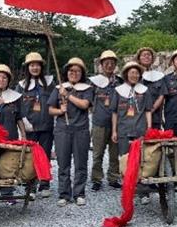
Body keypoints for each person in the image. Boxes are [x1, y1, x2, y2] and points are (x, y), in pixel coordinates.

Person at [48, 58, 94, 207]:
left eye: (78, 71)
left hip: (81, 130)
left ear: (82, 73)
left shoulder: (87, 89)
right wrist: (60, 111)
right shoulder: (59, 88)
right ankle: (64, 194)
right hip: (62, 130)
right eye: (71, 71)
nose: (74, 73)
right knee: (63, 163)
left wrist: (68, 95)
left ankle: (79, 193)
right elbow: (50, 110)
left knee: (81, 163)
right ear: (66, 72)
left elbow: (84, 105)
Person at [110, 62, 153, 204]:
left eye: (136, 73)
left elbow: (148, 110)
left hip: (140, 130)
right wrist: (114, 130)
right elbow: (114, 112)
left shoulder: (144, 90)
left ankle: (143, 192)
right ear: (126, 74)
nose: (134, 75)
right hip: (123, 130)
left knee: (142, 161)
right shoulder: (118, 91)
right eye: (131, 72)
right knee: (125, 161)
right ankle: (129, 189)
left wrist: (149, 128)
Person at [16, 52, 56, 197]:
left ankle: (44, 184)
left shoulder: (50, 83)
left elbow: (56, 100)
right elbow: (17, 105)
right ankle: (30, 186)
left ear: (41, 67)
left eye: (37, 65)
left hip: (46, 125)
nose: (35, 68)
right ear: (27, 67)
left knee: (45, 155)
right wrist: (24, 123)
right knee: (30, 157)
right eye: (32, 65)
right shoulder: (21, 85)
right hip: (29, 127)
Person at [89, 50, 122, 191]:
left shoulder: (120, 81)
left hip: (117, 123)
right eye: (106, 63)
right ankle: (96, 179)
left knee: (115, 153)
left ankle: (113, 177)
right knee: (98, 153)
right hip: (99, 122)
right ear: (101, 65)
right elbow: (89, 100)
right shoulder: (93, 82)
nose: (109, 65)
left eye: (112, 63)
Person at [137, 46, 165, 130]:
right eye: (143, 55)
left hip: (155, 115)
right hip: (138, 115)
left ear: (152, 59)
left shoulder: (159, 76)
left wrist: (152, 109)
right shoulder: (134, 75)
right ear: (139, 59)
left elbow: (161, 95)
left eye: (149, 55)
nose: (146, 56)